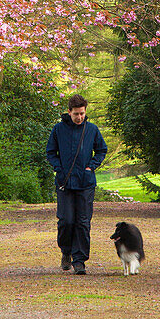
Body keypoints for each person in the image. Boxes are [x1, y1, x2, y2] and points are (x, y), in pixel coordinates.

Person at [46, 93, 107, 275]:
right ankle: (66, 251)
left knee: (83, 222)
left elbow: (101, 150)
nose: (79, 117)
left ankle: (79, 260)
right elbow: (51, 152)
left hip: (85, 183)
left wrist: (91, 166)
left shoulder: (92, 130)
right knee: (66, 221)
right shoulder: (58, 129)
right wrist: (59, 168)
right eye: (76, 114)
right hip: (64, 183)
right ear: (69, 112)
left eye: (82, 113)